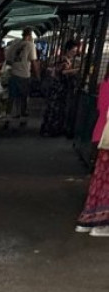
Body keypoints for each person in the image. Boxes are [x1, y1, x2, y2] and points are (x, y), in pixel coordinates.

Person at [76, 73, 109, 237]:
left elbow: (101, 109)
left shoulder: (104, 84)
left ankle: (88, 220)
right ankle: (102, 224)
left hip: (103, 136)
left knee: (100, 179)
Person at [41, 38, 80, 137]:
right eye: (73, 51)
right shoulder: (63, 60)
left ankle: (51, 129)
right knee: (55, 109)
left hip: (60, 88)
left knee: (56, 109)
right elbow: (62, 72)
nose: (74, 53)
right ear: (67, 50)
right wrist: (76, 70)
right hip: (58, 88)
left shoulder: (66, 59)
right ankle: (51, 129)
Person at [5, 28, 39, 120]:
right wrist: (37, 75)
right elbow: (33, 61)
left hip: (13, 74)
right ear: (29, 35)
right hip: (24, 75)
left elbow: (8, 61)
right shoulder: (30, 45)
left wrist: (16, 65)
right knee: (23, 97)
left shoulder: (15, 44)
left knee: (11, 97)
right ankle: (22, 116)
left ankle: (8, 115)